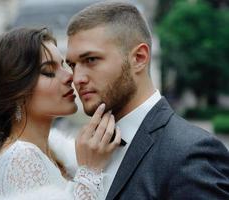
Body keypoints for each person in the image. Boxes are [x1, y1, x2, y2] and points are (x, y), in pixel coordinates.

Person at [65, 1, 229, 200]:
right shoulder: (87, 152)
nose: (77, 78)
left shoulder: (190, 153)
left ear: (139, 58)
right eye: (72, 65)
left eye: (91, 60)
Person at [0, 27, 122, 200]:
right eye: (49, 71)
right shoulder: (20, 158)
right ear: (17, 92)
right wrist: (90, 171)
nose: (70, 76)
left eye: (63, 65)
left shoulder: (51, 151)